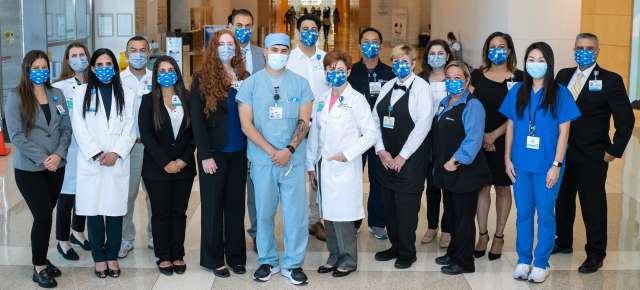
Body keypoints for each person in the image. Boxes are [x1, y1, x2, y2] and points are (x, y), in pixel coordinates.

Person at [553, 33, 635, 273]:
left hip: (593, 155)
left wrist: (613, 151)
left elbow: (626, 120)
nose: (584, 51)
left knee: (593, 205)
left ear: (598, 51)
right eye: (579, 47)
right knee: (562, 200)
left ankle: (596, 253)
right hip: (563, 154)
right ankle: (564, 242)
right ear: (573, 49)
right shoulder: (563, 76)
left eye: (589, 48)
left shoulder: (610, 80)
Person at [500, 42, 581, 283]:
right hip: (521, 164)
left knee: (545, 214)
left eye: (541, 59)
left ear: (550, 63)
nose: (535, 64)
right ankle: (524, 259)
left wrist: (556, 165)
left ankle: (541, 263)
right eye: (531, 59)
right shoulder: (517, 91)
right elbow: (511, 126)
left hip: (547, 165)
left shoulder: (560, 93)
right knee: (523, 213)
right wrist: (506, 158)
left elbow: (564, 132)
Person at [237, 33, 313, 285]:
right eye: (274, 50)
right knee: (264, 213)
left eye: (283, 50)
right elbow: (246, 125)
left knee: (295, 215)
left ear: (288, 54)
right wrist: (271, 151)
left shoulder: (301, 84)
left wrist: (288, 150)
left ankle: (293, 264)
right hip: (262, 160)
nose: (279, 54)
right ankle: (267, 262)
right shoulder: (250, 84)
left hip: (292, 159)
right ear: (265, 53)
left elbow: (304, 121)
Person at [307, 51, 377, 278]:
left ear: (348, 72)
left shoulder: (357, 100)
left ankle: (348, 259)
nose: (335, 74)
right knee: (328, 214)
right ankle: (334, 255)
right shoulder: (321, 100)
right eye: (330, 70)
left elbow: (370, 135)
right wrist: (310, 163)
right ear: (325, 72)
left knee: (344, 216)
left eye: (340, 70)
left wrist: (347, 155)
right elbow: (315, 135)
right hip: (323, 166)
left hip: (345, 166)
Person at [6, 50, 72, 288]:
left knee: (46, 216)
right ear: (26, 70)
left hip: (57, 167)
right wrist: (45, 158)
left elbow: (66, 129)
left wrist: (58, 155)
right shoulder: (16, 97)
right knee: (43, 216)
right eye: (36, 68)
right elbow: (16, 135)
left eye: (44, 67)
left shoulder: (57, 94)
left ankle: (42, 258)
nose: (41, 71)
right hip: (29, 169)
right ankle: (39, 268)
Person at [72, 48, 136, 279]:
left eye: (109, 64)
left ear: (115, 68)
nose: (105, 68)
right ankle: (99, 258)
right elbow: (78, 127)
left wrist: (116, 153)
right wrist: (97, 153)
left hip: (116, 162)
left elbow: (130, 128)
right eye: (100, 64)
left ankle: (112, 257)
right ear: (92, 68)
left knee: (115, 212)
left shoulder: (127, 93)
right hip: (92, 162)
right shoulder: (81, 94)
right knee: (94, 212)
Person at [191, 30, 250, 278]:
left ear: (236, 48)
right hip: (213, 153)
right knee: (213, 207)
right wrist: (204, 155)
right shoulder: (201, 78)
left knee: (235, 207)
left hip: (239, 151)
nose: (226, 48)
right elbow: (196, 120)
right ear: (213, 48)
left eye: (230, 44)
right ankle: (213, 258)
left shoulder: (245, 76)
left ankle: (236, 256)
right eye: (221, 44)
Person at [372, 45, 433, 269]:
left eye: (404, 61)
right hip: (386, 158)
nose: (399, 65)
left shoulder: (421, 88)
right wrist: (381, 150)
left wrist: (402, 156)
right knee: (389, 205)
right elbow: (374, 120)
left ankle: (408, 252)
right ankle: (395, 246)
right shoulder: (387, 85)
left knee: (406, 208)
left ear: (414, 63)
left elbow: (423, 125)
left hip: (411, 160)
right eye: (395, 61)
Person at [431, 61, 489, 275]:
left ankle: (465, 261)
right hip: (447, 172)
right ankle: (453, 253)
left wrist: (454, 161)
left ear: (466, 81)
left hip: (464, 171)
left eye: (458, 78)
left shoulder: (473, 105)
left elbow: (473, 140)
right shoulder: (445, 102)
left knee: (464, 218)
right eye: (449, 77)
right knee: (453, 215)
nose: (453, 82)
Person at [139, 55, 195, 276]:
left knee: (179, 212)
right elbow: (146, 135)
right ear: (155, 75)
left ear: (178, 73)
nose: (167, 74)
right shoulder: (147, 100)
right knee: (161, 213)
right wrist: (165, 162)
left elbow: (194, 134)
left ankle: (177, 253)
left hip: (184, 167)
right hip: (156, 168)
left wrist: (183, 160)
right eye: (162, 70)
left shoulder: (189, 98)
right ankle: (163, 255)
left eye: (171, 69)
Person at [470, 32, 523, 260]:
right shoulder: (476, 75)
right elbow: (469, 106)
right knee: (481, 187)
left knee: (503, 188)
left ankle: (499, 236)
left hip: (507, 141)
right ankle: (482, 234)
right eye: (493, 46)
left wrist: (494, 135)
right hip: (479, 139)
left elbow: (519, 112)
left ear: (510, 50)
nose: (497, 50)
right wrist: (482, 136)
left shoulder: (520, 77)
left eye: (502, 46)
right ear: (486, 50)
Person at [347, 27, 394, 239]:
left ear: (381, 46)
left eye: (375, 41)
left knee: (378, 179)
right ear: (359, 46)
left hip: (379, 136)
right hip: (354, 135)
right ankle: (353, 221)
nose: (370, 45)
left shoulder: (390, 73)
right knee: (353, 178)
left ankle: (377, 221)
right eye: (366, 41)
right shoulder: (350, 72)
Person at [287, 13, 329, 241]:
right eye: (305, 28)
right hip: (296, 125)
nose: (310, 33)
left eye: (314, 29)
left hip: (321, 126)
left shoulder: (326, 59)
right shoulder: (289, 59)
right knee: (294, 174)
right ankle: (295, 221)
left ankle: (315, 220)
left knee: (316, 174)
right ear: (298, 31)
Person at [228, 9, 266, 252]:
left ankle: (257, 233)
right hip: (230, 129)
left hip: (257, 129)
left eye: (248, 25)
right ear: (229, 25)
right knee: (231, 187)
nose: (244, 29)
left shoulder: (262, 55)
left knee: (256, 187)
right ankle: (229, 234)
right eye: (239, 24)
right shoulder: (220, 54)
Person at [52, 42, 92, 261]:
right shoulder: (59, 87)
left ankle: (78, 231)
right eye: (74, 55)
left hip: (90, 150)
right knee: (66, 197)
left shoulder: (95, 83)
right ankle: (62, 240)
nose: (78, 58)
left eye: (82, 54)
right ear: (67, 60)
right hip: (68, 150)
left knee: (84, 194)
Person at [119, 35, 154, 258]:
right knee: (127, 194)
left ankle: (154, 236)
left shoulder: (157, 78)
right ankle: (125, 238)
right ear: (126, 53)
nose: (138, 54)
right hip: (129, 147)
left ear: (149, 53)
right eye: (133, 50)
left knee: (154, 194)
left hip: (152, 147)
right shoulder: (118, 80)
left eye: (143, 50)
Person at [418, 39, 453, 247]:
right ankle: (432, 226)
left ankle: (447, 228)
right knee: (431, 186)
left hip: (448, 139)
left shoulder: (454, 78)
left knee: (447, 184)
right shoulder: (421, 79)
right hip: (425, 139)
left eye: (441, 53)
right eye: (433, 53)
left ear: (448, 56)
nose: (437, 57)